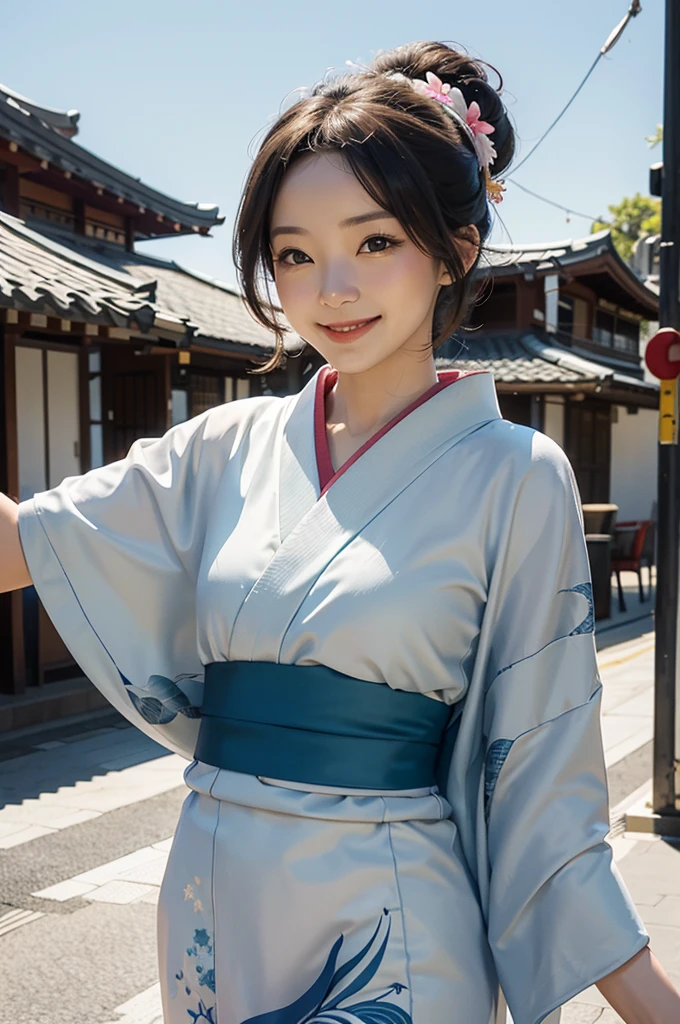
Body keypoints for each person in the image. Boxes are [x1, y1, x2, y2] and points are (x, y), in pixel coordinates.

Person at [1, 40, 679, 1024]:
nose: (330, 287)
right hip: (211, 903)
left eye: (372, 241)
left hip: (388, 922)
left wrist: (648, 1001)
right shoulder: (222, 448)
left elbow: (540, 784)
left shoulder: (513, 477)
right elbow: (23, 544)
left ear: (455, 249)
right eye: (292, 253)